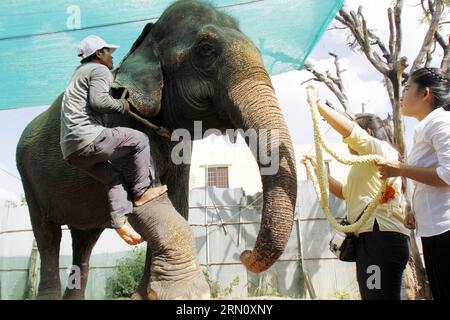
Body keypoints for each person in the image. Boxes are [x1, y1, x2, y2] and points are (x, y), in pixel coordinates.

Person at [304, 86, 410, 300]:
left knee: (378, 297)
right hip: (369, 238)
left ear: (368, 133)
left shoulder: (381, 150)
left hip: (381, 237)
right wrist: (317, 170)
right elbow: (344, 193)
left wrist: (318, 106)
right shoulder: (364, 164)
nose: (346, 142)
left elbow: (351, 132)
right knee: (373, 296)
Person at [60, 35, 167, 245]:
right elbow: (99, 101)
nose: (112, 58)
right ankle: (141, 192)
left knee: (113, 177)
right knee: (140, 140)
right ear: (99, 54)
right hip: (88, 137)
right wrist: (121, 106)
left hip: (71, 151)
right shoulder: (99, 70)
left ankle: (119, 220)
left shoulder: (78, 74)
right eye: (109, 52)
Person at [378, 67, 450, 300]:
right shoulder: (426, 126)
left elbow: (448, 174)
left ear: (425, 93)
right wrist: (414, 209)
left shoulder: (441, 123)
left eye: (408, 88)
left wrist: (400, 169)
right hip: (433, 228)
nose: (403, 95)